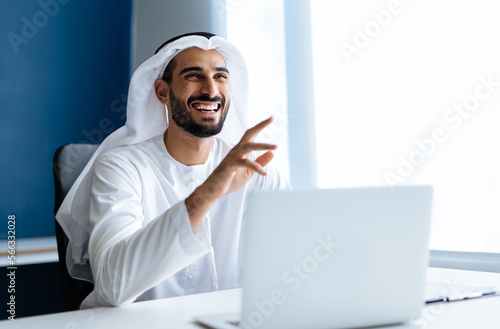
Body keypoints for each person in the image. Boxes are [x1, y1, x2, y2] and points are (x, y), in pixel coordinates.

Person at [56, 32, 289, 309]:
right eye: (193, 75)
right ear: (162, 92)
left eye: (220, 76)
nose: (211, 90)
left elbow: (295, 257)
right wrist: (209, 192)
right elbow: (112, 286)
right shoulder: (121, 167)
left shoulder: (252, 168)